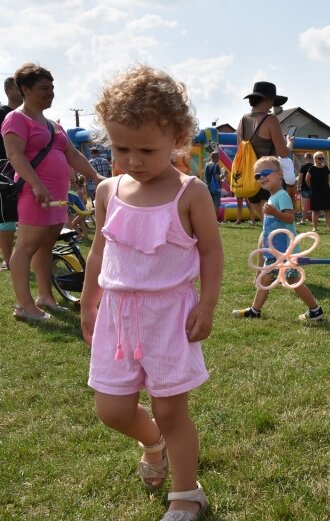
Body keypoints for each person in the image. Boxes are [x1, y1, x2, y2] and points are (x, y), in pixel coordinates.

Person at [81, 65, 222, 520]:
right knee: (112, 409)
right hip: (117, 316)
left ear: (177, 137)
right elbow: (101, 249)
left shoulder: (190, 193)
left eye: (146, 149)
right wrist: (88, 301)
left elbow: (213, 254)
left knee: (171, 410)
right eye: (122, 148)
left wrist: (207, 303)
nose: (133, 160)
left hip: (169, 317)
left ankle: (186, 493)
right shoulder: (108, 190)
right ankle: (151, 443)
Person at [2, 63, 106, 321]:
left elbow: (72, 154)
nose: (50, 93)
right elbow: (14, 155)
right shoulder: (16, 118)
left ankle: (45, 297)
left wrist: (95, 176)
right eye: (43, 88)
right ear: (25, 89)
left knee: (46, 246)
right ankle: (24, 306)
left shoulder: (53, 125)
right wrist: (37, 184)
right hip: (35, 194)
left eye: (52, 88)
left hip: (55, 196)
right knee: (26, 247)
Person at [232, 156, 325, 321]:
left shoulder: (281, 195)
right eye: (257, 176)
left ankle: (315, 310)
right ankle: (255, 310)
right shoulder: (271, 198)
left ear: (280, 174)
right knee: (268, 279)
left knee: (292, 280)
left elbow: (290, 218)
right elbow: (266, 231)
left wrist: (275, 213)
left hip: (285, 252)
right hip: (274, 252)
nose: (262, 177)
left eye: (266, 173)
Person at [235, 81, 294, 225]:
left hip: (251, 176)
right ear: (267, 99)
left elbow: (240, 149)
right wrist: (290, 144)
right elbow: (283, 153)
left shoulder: (243, 120)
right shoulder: (271, 120)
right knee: (276, 227)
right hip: (269, 176)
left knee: (266, 225)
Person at [0, 76, 23, 271]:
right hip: (4, 170)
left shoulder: (29, 115)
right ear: (8, 90)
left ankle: (24, 256)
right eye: (18, 87)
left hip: (26, 168)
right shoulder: (1, 113)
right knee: (7, 218)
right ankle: (8, 261)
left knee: (26, 215)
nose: (23, 90)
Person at [306, 151, 330, 232]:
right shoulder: (311, 168)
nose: (321, 160)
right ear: (315, 159)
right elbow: (307, 180)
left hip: (325, 190)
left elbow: (328, 178)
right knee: (315, 210)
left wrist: (329, 187)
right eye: (319, 158)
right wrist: (312, 188)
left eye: (322, 158)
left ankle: (329, 227)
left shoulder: (325, 168)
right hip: (315, 191)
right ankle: (315, 227)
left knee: (327, 210)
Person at [203, 151, 222, 218]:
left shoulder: (207, 165)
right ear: (217, 157)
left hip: (208, 186)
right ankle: (215, 220)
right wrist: (223, 176)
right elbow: (217, 177)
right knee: (216, 204)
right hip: (215, 188)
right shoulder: (216, 166)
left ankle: (208, 218)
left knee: (209, 204)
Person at [297, 152, 314, 225]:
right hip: (314, 188)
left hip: (304, 188)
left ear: (306, 158)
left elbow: (300, 178)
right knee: (314, 206)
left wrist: (298, 186)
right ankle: (314, 220)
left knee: (304, 206)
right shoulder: (314, 166)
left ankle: (303, 220)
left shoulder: (303, 167)